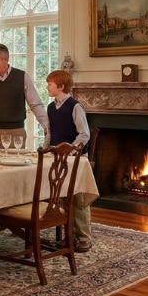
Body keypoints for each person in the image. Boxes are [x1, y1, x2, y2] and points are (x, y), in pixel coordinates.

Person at [45, 69, 93, 253]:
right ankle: (69, 236)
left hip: (76, 160)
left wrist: (70, 151)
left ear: (61, 86)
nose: (47, 87)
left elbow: (84, 134)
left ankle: (84, 238)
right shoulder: (51, 107)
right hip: (58, 158)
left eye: (50, 84)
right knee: (64, 198)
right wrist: (46, 149)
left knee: (78, 199)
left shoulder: (75, 107)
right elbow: (50, 132)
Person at [0, 43, 50, 146]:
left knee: (16, 161)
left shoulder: (22, 77)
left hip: (16, 132)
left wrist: (47, 126)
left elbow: (35, 104)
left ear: (5, 59)